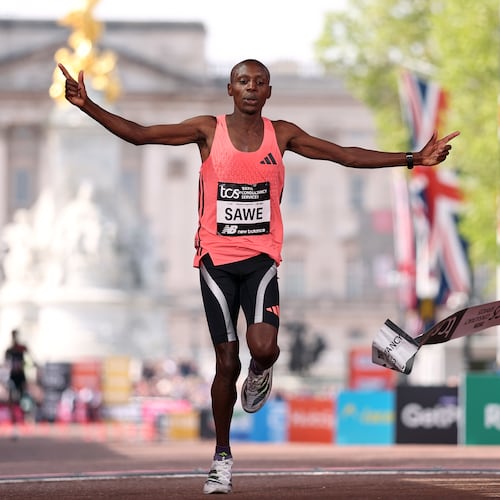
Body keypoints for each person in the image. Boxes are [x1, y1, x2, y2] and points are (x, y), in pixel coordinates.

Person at [58, 59, 459, 494]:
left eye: (260, 83)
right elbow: (140, 135)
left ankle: (261, 372)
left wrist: (413, 158)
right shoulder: (207, 130)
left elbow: (343, 155)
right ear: (230, 89)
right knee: (224, 363)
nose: (251, 88)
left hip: (261, 260)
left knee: (263, 347)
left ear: (269, 92)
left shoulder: (281, 134)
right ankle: (222, 456)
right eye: (243, 81)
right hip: (216, 261)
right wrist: (88, 106)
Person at [4, 329, 34, 426]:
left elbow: (30, 358)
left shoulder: (22, 348)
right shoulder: (9, 350)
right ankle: (13, 417)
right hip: (13, 376)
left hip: (21, 376)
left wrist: (27, 365)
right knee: (11, 397)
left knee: (23, 396)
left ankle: (25, 416)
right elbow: (6, 363)